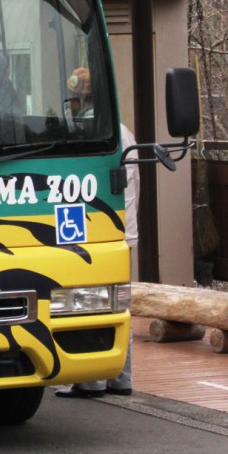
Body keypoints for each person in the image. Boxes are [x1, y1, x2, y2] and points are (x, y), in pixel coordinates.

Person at [56, 123, 138, 398]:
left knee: (89, 300)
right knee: (118, 303)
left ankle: (91, 381)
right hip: (124, 227)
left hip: (100, 227)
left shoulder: (96, 133)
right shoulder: (123, 132)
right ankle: (121, 378)